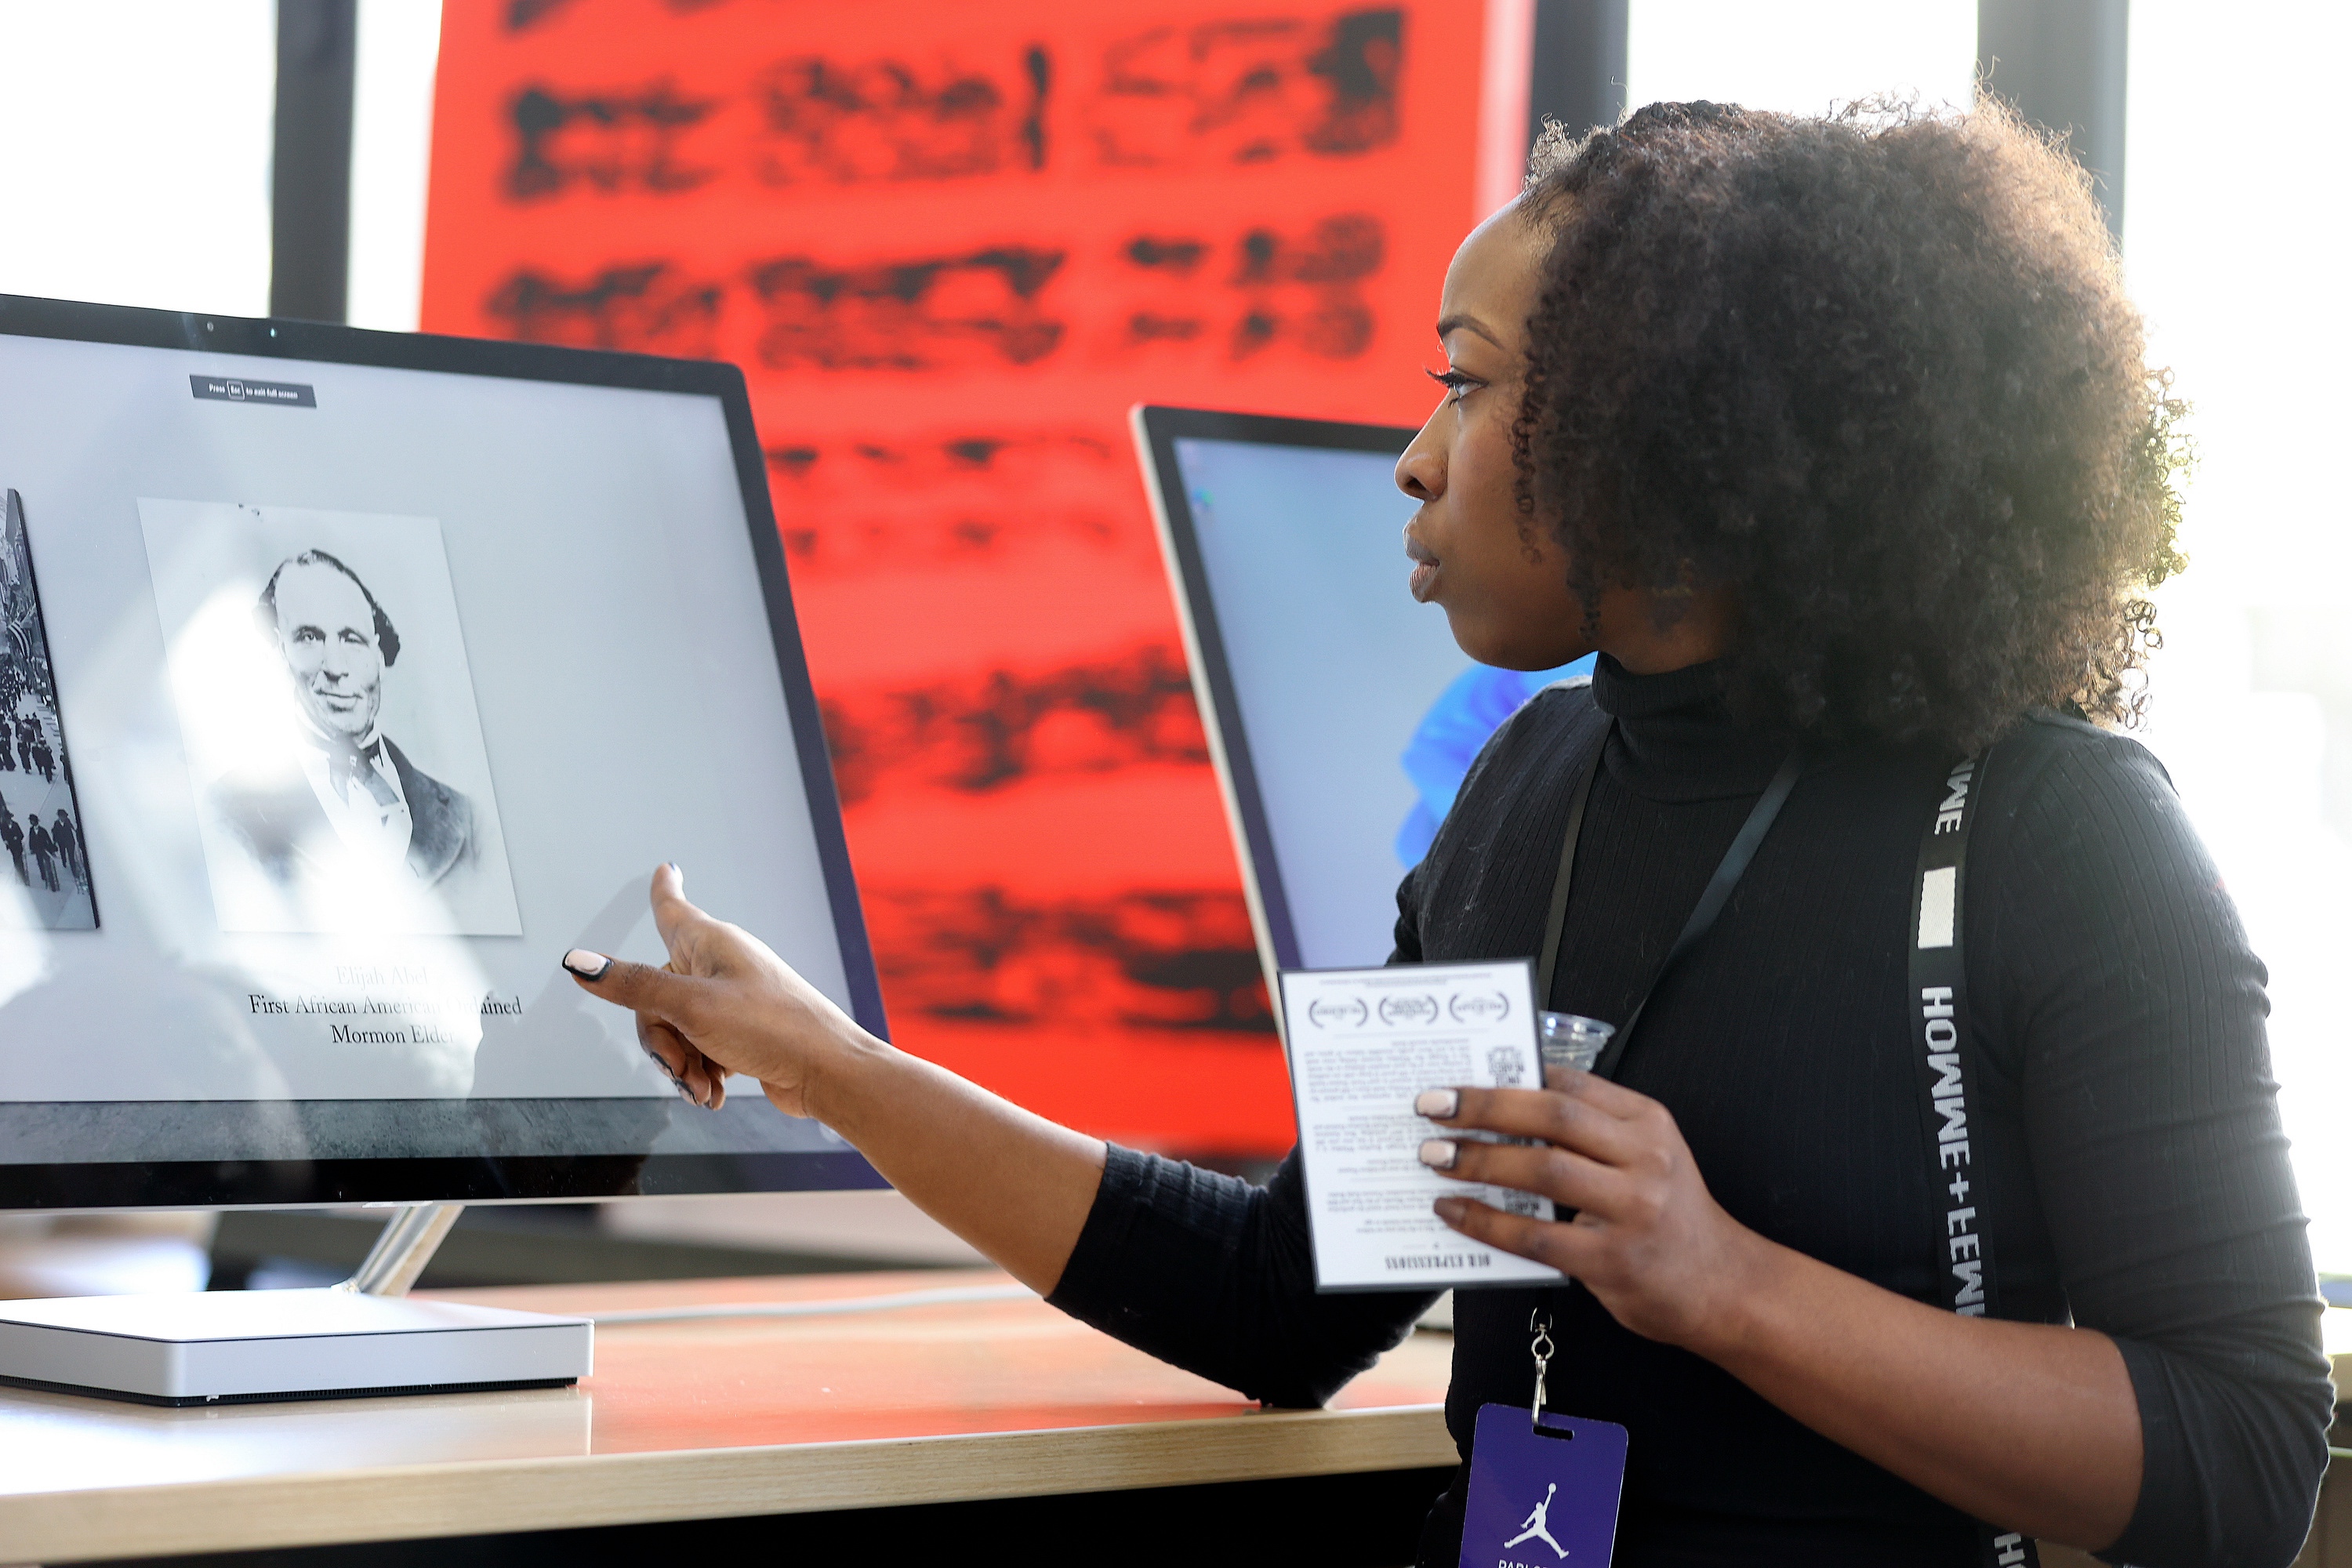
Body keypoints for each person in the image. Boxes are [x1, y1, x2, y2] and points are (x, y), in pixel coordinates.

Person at [559, 102, 2332, 1566]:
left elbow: (2240, 1465)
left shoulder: (2054, 830)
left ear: (1685, 436)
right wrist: (826, 1059)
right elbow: (1279, 1299)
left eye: (1467, 385)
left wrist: (1724, 1284)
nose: (1413, 458)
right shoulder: (1525, 792)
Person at [211, 549, 475, 888]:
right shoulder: (229, 813)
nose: (336, 667)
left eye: (352, 639)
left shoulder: (464, 816)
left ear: (380, 654)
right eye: (309, 638)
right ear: (276, 654)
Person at [50, 809, 78, 888]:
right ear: (59, 817)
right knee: (63, 854)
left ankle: (74, 871)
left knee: (71, 856)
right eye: (62, 816)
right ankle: (64, 864)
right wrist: (54, 842)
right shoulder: (56, 823)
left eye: (64, 816)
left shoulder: (68, 822)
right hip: (61, 842)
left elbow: (73, 829)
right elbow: (54, 833)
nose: (63, 818)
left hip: (70, 842)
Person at [27, 817, 55, 892]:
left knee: (48, 864)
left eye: (32, 821)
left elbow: (48, 839)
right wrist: (32, 848)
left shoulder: (42, 830)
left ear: (36, 822)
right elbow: (31, 839)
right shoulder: (31, 830)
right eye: (31, 821)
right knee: (40, 863)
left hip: (44, 850)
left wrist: (51, 849)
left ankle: (51, 881)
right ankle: (44, 876)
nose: (31, 822)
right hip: (37, 850)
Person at [0, 804, 22, 885]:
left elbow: (21, 835)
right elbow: (3, 836)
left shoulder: (15, 825)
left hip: (18, 845)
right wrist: (6, 841)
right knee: (15, 860)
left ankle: (21, 875)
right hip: (11, 846)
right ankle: (18, 875)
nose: (8, 820)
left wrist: (17, 838)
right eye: (6, 819)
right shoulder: (3, 827)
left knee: (19, 860)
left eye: (9, 818)